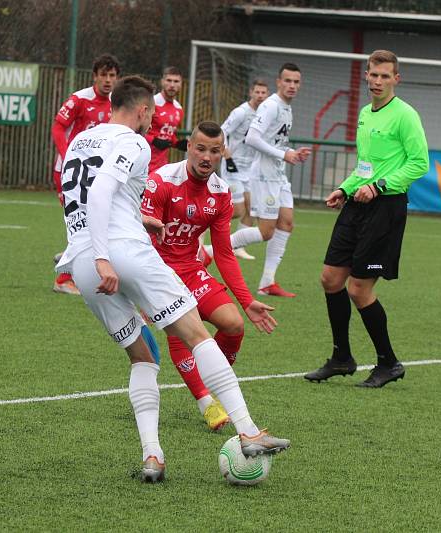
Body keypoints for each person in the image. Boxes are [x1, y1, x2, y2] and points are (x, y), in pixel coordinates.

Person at [55, 75, 289, 483]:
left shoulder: (82, 140)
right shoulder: (133, 142)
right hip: (119, 252)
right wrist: (107, 255)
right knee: (198, 334)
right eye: (152, 114)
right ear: (144, 111)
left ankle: (153, 458)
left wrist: (132, 222)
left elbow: (82, 196)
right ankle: (249, 431)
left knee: (144, 358)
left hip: (81, 264)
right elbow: (102, 191)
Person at [142, 121, 277, 432]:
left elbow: (225, 253)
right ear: (189, 147)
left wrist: (246, 301)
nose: (206, 156)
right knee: (184, 328)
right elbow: (142, 239)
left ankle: (209, 377)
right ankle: (205, 400)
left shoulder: (221, 193)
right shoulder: (161, 181)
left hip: (191, 269)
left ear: (222, 153)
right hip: (158, 272)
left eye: (214, 151)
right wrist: (143, 292)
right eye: (200, 148)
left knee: (234, 326)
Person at [305, 50, 428, 388]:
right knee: (330, 279)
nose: (377, 81)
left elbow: (419, 163)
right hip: (357, 204)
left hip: (385, 208)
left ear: (396, 79)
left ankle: (389, 363)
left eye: (384, 76)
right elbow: (365, 166)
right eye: (373, 74)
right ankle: (341, 357)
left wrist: (380, 186)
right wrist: (345, 189)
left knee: (359, 289)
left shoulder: (405, 116)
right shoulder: (363, 114)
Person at [228, 63, 311, 297]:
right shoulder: (271, 105)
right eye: (288, 81)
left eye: (296, 81)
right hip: (263, 175)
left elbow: (275, 142)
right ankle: (210, 252)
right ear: (278, 82)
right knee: (266, 232)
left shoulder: (286, 108)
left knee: (286, 223)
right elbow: (252, 138)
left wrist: (291, 152)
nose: (292, 85)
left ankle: (267, 282)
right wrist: (284, 154)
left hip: (278, 173)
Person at [50, 54, 120, 296]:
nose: (108, 80)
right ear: (95, 76)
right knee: (82, 220)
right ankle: (64, 277)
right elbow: (58, 126)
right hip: (70, 173)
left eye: (112, 76)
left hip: (95, 174)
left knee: (95, 220)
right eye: (104, 75)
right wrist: (68, 154)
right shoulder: (79, 99)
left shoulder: (115, 103)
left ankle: (73, 258)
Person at [219, 80, 270, 260]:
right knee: (238, 210)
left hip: (250, 169)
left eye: (264, 93)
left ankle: (237, 247)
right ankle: (205, 223)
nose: (260, 96)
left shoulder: (265, 114)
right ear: (251, 92)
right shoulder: (241, 112)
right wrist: (226, 154)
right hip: (233, 166)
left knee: (251, 208)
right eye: (257, 92)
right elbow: (222, 131)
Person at [145, 66, 186, 173]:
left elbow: (167, 134)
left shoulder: (179, 109)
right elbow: (135, 130)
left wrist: (177, 143)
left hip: (161, 166)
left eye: (176, 81)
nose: (172, 85)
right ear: (162, 82)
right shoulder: (151, 103)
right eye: (169, 80)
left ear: (181, 84)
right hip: (143, 162)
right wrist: (153, 140)